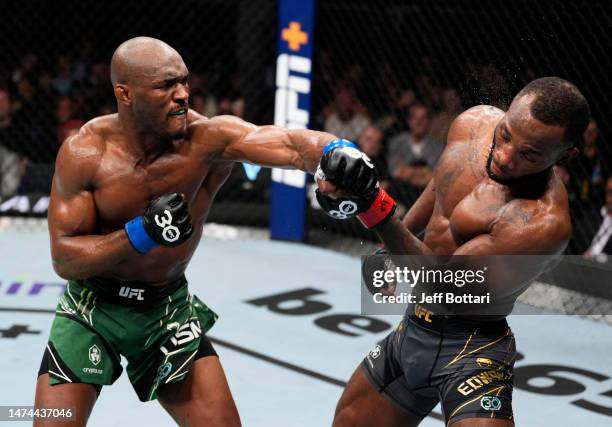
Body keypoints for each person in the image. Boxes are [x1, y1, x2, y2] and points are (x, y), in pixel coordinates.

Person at [34, 36, 351, 427]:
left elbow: (288, 144)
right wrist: (140, 233)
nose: (183, 94)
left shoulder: (207, 140)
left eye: (184, 81)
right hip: (91, 309)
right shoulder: (85, 153)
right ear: (125, 93)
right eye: (166, 85)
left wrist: (335, 150)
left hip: (165, 310)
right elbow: (64, 257)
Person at [316, 77, 590, 426]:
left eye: (529, 154)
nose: (505, 157)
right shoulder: (473, 124)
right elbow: (442, 184)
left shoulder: (542, 223)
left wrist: (376, 211)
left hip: (473, 352)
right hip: (414, 329)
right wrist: (387, 249)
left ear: (564, 156)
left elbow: (442, 281)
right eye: (506, 134)